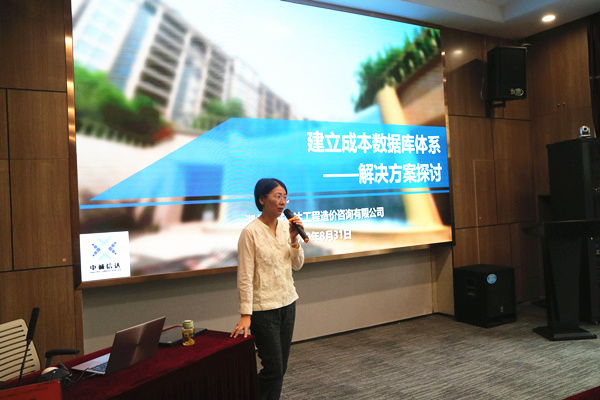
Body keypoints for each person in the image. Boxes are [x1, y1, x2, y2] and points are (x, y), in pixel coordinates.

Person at [231, 178, 305, 400]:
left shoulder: (287, 228)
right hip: (263, 310)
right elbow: (245, 276)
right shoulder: (250, 232)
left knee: (280, 369)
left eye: (285, 197)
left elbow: (298, 265)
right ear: (262, 199)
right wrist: (246, 314)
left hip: (288, 303)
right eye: (277, 196)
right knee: (273, 369)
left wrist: (294, 240)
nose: (282, 202)